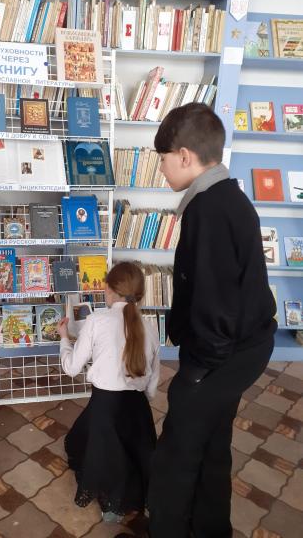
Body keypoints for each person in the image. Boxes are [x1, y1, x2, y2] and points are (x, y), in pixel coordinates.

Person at [141, 103, 276, 538]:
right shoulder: (227, 197)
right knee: (213, 440)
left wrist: (198, 372)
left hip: (222, 354)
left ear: (184, 156)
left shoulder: (209, 210)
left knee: (178, 449)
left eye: (162, 159)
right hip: (243, 347)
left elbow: (215, 302)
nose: (160, 169)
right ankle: (210, 528)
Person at [58, 261, 160, 523]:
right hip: (138, 410)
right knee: (132, 452)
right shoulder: (150, 328)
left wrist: (64, 338)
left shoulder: (96, 320)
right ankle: (138, 498)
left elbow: (71, 368)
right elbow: (151, 387)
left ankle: (110, 503)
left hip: (103, 407)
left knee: (93, 448)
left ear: (109, 290)